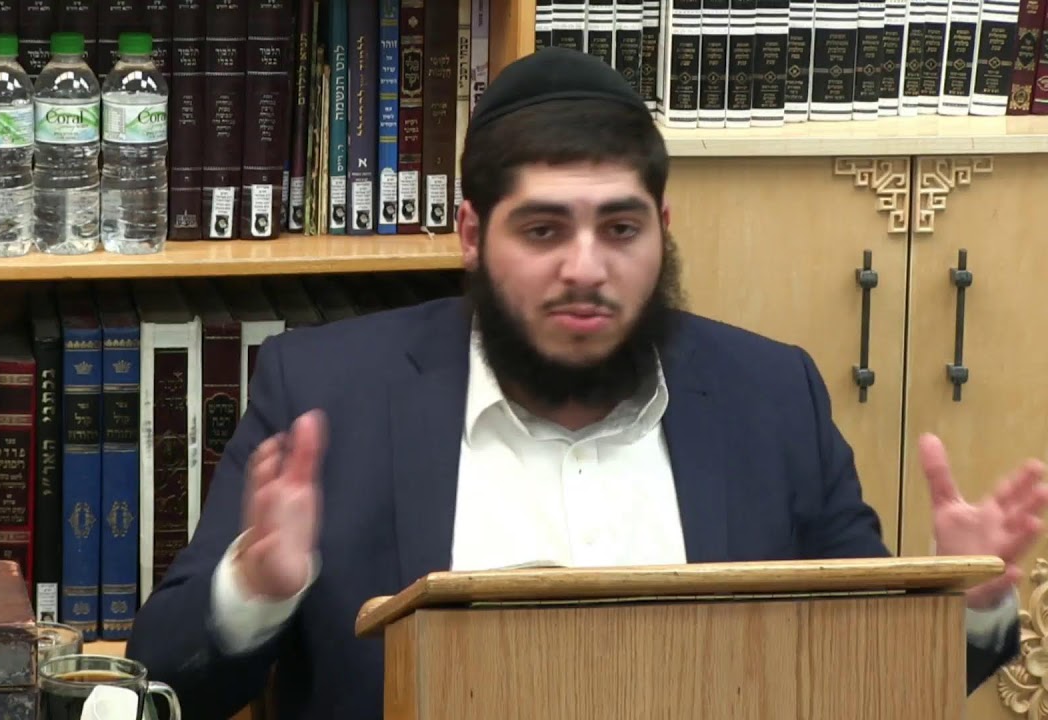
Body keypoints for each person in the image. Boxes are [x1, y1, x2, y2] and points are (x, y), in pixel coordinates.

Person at [127, 47, 1048, 719]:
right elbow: (159, 684)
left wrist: (970, 610)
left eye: (619, 228)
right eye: (543, 231)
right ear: (471, 236)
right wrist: (257, 590)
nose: (585, 268)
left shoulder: (773, 396)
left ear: (663, 230)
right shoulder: (328, 394)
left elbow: (870, 678)